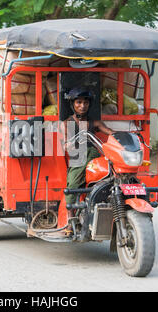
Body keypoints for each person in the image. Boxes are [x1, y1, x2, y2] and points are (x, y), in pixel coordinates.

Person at [62, 87, 114, 235]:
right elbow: (64, 142)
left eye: (85, 102)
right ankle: (70, 222)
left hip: (94, 156)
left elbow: (109, 131)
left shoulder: (94, 122)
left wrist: (122, 136)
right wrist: (67, 144)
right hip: (78, 157)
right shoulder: (68, 123)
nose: (82, 105)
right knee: (72, 185)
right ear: (73, 104)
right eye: (79, 102)